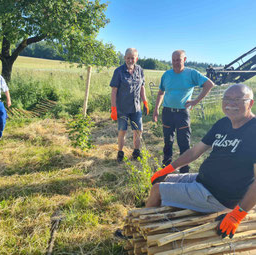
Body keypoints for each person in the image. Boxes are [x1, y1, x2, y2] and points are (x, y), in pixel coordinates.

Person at [147, 83, 256, 239]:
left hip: (219, 196)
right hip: (203, 181)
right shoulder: (223, 123)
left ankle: (143, 233)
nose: (231, 104)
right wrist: (168, 169)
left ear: (250, 103)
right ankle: (163, 220)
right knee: (164, 179)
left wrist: (237, 215)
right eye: (227, 99)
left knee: (157, 189)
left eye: (238, 99)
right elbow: (195, 152)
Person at [153, 50, 214, 173]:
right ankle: (165, 169)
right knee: (167, 141)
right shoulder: (166, 75)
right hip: (167, 112)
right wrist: (156, 109)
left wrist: (195, 101)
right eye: (173, 60)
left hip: (182, 113)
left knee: (184, 143)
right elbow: (161, 92)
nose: (175, 63)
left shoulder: (191, 73)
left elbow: (209, 84)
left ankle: (184, 171)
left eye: (178, 60)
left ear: (184, 60)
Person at [110, 48, 149, 162]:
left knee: (138, 131)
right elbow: (114, 91)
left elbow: (142, 87)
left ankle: (136, 152)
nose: (130, 60)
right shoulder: (118, 71)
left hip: (136, 108)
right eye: (128, 58)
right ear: (124, 58)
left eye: (133, 58)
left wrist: (145, 102)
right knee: (122, 130)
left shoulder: (140, 70)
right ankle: (120, 153)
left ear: (136, 58)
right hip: (122, 108)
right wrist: (113, 108)